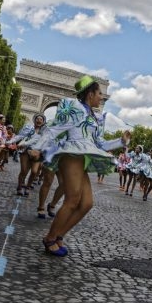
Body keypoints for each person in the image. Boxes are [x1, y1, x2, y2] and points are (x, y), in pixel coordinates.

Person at [38, 75, 130, 256]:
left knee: (87, 203)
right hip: (71, 155)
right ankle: (49, 238)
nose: (101, 97)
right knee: (72, 201)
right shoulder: (74, 108)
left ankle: (59, 235)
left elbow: (100, 144)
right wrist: (38, 146)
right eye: (99, 93)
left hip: (82, 159)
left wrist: (121, 141)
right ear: (90, 94)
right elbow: (55, 128)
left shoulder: (95, 117)